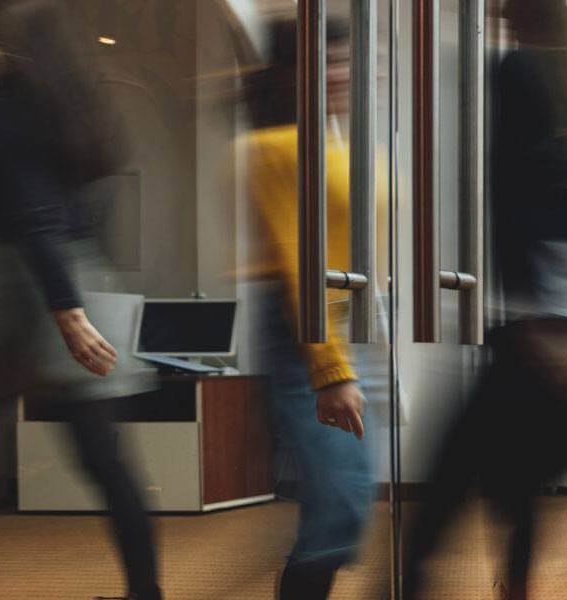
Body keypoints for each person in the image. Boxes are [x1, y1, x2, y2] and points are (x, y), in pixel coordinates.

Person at [398, 3, 567, 598]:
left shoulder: (521, 72)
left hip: (557, 335)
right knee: (514, 482)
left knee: (442, 506)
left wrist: (555, 326)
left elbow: (511, 206)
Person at [0, 2, 160, 598]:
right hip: (80, 274)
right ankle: (148, 593)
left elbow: (31, 213)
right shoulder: (72, 112)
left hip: (19, 287)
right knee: (105, 462)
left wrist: (66, 313)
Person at [241, 18, 375, 599]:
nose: (342, 75)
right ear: (291, 76)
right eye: (328, 64)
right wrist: (330, 371)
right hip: (304, 332)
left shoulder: (329, 139)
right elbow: (302, 268)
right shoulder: (277, 147)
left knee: (342, 504)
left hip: (335, 327)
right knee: (338, 508)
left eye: (346, 62)